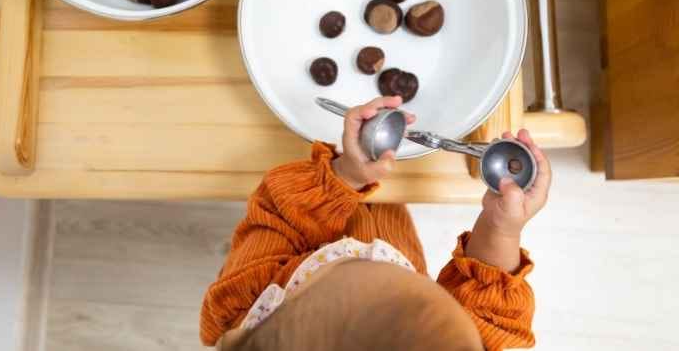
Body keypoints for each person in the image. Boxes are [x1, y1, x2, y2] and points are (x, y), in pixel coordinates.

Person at [200, 96, 551, 350]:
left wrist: (344, 174)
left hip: (315, 200)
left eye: (346, 263)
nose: (373, 253)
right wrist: (500, 228)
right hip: (389, 212)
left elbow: (280, 211)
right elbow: (486, 310)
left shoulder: (250, 295)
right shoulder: (450, 341)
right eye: (406, 274)